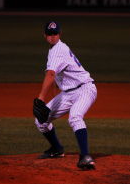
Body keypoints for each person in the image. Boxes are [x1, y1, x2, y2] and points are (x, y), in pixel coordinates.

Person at [35, 21, 97, 170]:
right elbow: (59, 74)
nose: (52, 37)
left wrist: (41, 97)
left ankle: (85, 157)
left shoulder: (58, 49)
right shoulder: (55, 49)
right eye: (49, 34)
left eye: (55, 34)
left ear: (59, 34)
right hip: (68, 93)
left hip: (85, 89)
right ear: (44, 35)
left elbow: (50, 73)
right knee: (41, 120)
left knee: (75, 116)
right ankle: (57, 149)